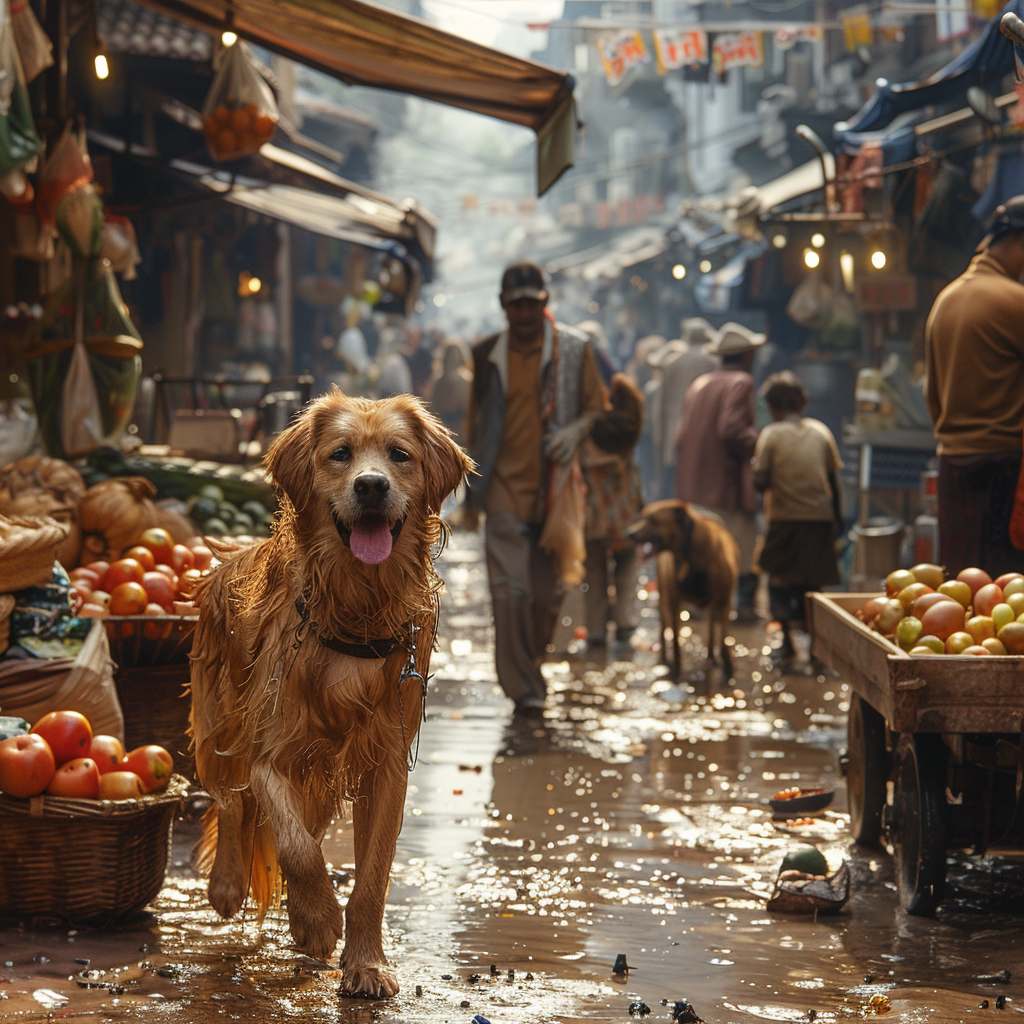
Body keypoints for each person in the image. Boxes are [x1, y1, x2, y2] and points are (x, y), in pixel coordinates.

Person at [464, 262, 608, 716]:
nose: (524, 312)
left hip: (555, 490)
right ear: (504, 307)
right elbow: (477, 421)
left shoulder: (574, 350)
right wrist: (470, 491)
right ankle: (523, 688)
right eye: (516, 304)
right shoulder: (487, 354)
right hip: (503, 486)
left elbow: (597, 408)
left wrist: (575, 432)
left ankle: (533, 664)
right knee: (512, 592)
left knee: (548, 596)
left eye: (532, 302)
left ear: (545, 302)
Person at [925, 196, 1024, 576]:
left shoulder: (944, 301)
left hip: (953, 464)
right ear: (1019, 243)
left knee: (961, 582)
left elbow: (932, 396)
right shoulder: (1015, 301)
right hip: (1004, 469)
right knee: (1005, 591)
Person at [673, 322, 765, 620]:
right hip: (725, 484)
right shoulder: (741, 381)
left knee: (701, 547)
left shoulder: (700, 383)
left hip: (695, 483)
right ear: (747, 355)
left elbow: (680, 435)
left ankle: (701, 604)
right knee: (742, 546)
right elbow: (732, 430)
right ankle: (744, 607)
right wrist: (763, 441)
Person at [754, 372, 842, 663]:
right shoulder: (820, 431)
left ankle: (788, 643)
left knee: (778, 582)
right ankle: (817, 647)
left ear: (771, 406)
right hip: (819, 519)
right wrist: (837, 520)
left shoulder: (770, 435)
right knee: (813, 586)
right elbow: (833, 480)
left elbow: (761, 481)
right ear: (802, 401)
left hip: (783, 520)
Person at [581, 373, 645, 648]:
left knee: (593, 569)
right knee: (628, 564)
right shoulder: (629, 429)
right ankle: (624, 621)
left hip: (593, 511)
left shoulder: (589, 428)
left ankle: (595, 630)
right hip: (623, 510)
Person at [652, 319, 719, 499]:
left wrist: (659, 430)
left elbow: (661, 402)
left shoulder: (672, 362)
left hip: (673, 426)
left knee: (674, 477)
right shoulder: (712, 361)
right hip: (703, 425)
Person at [428, 339, 472, 441]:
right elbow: (434, 407)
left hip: (461, 429)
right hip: (444, 429)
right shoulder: (438, 381)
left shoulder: (466, 380)